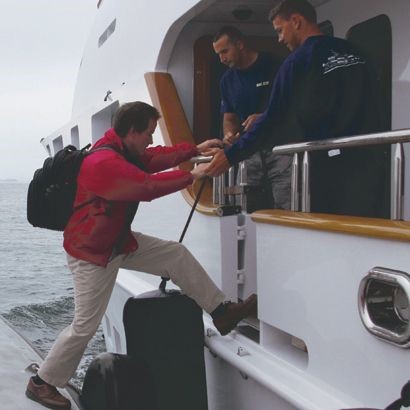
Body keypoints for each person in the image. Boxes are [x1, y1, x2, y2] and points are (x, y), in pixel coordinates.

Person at [25, 101, 257, 410]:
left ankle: (221, 311)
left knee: (174, 254)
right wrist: (195, 175)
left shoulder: (122, 148)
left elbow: (152, 157)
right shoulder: (104, 162)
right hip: (93, 254)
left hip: (116, 243)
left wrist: (191, 150)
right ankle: (42, 383)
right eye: (148, 132)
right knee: (84, 326)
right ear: (132, 132)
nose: (150, 138)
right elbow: (145, 186)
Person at [206, 0, 385, 216]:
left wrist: (231, 155)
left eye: (280, 30)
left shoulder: (297, 61)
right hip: (370, 160)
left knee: (327, 227)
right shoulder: (356, 52)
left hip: (327, 166)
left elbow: (274, 117)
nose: (280, 39)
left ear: (296, 21)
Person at [213, 26, 291, 211]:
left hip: (280, 148)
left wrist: (264, 117)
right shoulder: (227, 80)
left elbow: (294, 104)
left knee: (286, 203)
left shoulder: (276, 65)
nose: (222, 59)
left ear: (239, 44)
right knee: (248, 207)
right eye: (218, 54)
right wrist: (229, 135)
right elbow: (229, 117)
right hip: (249, 151)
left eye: (225, 51)